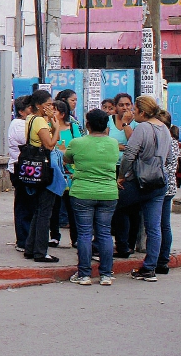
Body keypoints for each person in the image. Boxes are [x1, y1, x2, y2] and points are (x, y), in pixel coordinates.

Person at [64, 109, 120, 286]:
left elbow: (66, 159)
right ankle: (106, 274)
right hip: (108, 192)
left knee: (85, 234)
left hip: (82, 192)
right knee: (104, 233)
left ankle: (84, 274)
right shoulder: (113, 144)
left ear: (87, 125)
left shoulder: (77, 142)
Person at [120, 96, 173, 282]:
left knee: (112, 207)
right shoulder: (165, 129)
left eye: (134, 110)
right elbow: (168, 157)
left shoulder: (142, 128)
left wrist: (122, 176)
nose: (132, 113)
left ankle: (103, 247)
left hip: (140, 180)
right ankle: (150, 267)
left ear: (143, 112)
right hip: (159, 181)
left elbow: (129, 155)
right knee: (154, 226)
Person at [21, 90, 61, 262]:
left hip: (34, 166)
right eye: (48, 105)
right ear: (39, 105)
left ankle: (30, 247)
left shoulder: (31, 119)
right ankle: (41, 251)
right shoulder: (39, 121)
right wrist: (57, 126)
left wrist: (51, 123)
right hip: (45, 167)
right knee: (45, 211)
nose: (51, 108)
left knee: (38, 209)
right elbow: (50, 145)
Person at [109, 92, 141, 257]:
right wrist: (120, 146)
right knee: (115, 207)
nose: (125, 108)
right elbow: (106, 142)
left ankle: (129, 243)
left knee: (131, 208)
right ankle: (119, 241)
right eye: (121, 105)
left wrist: (127, 123)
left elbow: (134, 143)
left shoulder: (135, 124)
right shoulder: (109, 121)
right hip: (112, 167)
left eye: (128, 104)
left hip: (129, 169)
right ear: (116, 107)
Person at [7, 96, 37, 247]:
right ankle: (23, 240)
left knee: (28, 206)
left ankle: (28, 239)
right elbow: (32, 139)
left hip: (28, 169)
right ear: (21, 111)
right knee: (23, 206)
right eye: (30, 109)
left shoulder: (27, 123)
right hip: (20, 170)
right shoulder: (19, 125)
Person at [51, 99, 82, 248]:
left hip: (72, 174)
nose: (52, 113)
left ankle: (75, 238)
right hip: (55, 173)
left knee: (72, 208)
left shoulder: (73, 128)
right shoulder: (48, 127)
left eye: (54, 110)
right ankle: (54, 236)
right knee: (54, 207)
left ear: (62, 114)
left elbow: (80, 147)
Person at [156, 111, 178, 276]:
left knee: (160, 225)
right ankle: (161, 259)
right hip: (167, 187)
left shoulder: (169, 142)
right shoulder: (171, 141)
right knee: (163, 225)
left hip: (162, 187)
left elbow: (170, 167)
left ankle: (162, 259)